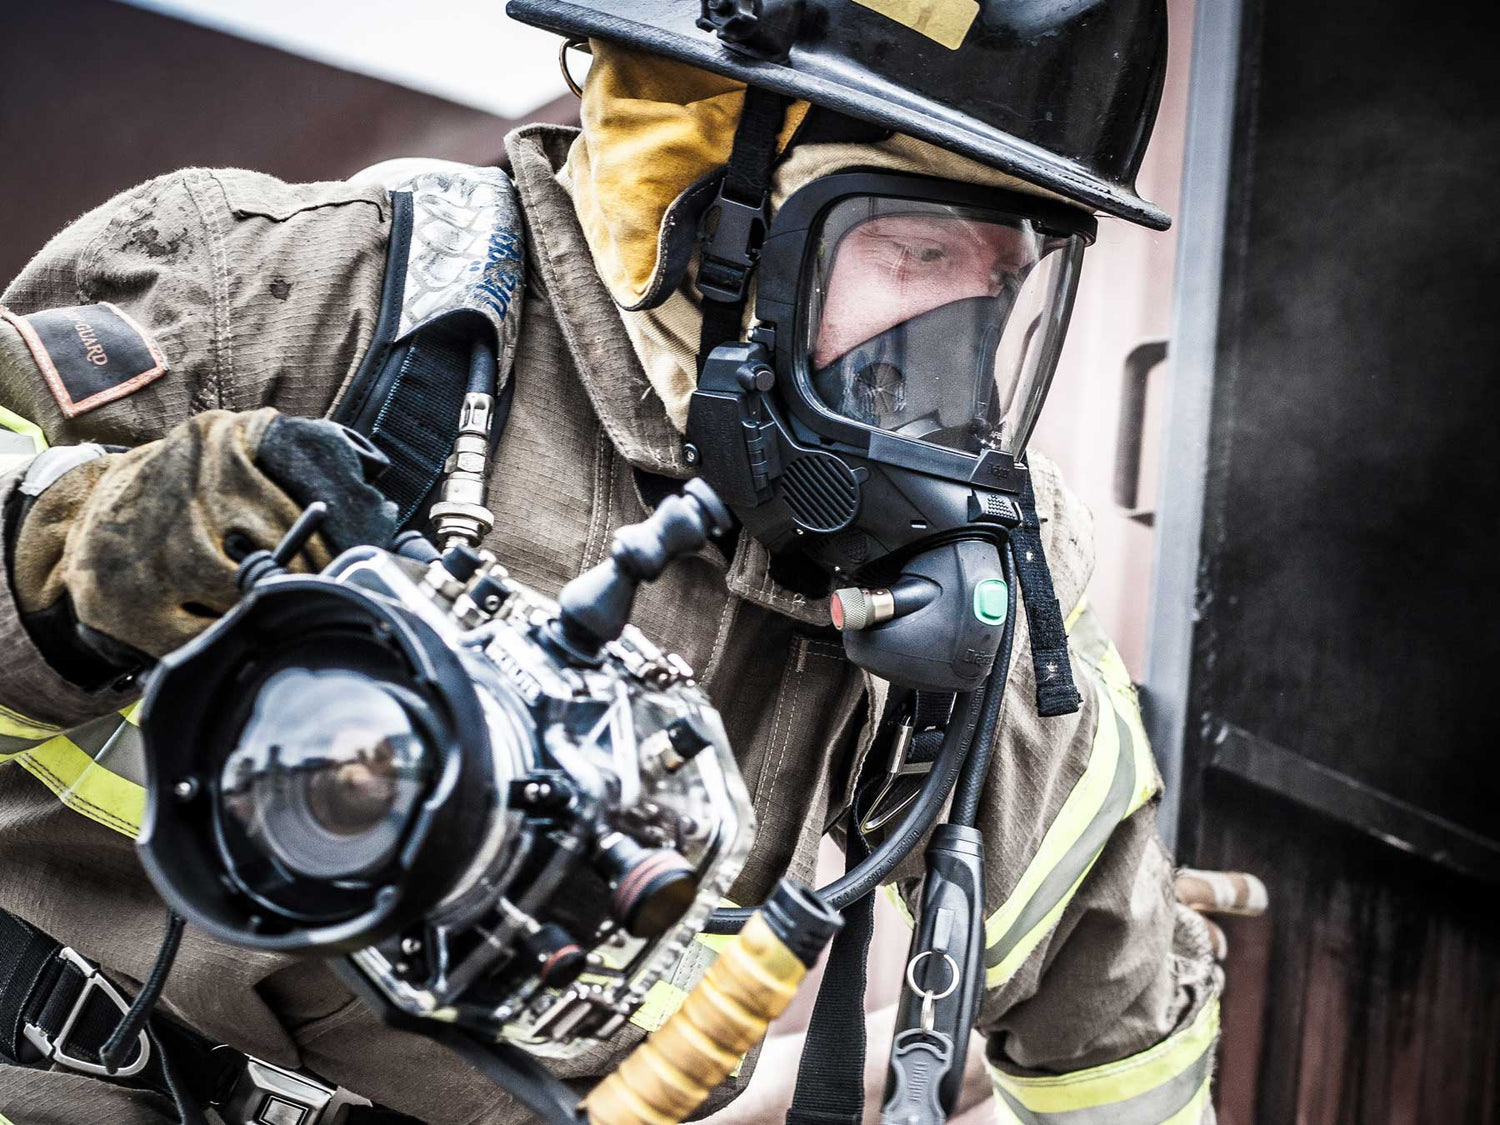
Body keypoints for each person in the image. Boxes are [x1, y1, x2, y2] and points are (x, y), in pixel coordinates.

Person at [0, 2, 1222, 1122]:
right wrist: (75, 549)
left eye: (1003, 281)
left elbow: (1118, 1038)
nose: (958, 355)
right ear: (704, 195)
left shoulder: (972, 557)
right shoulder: (282, 296)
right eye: (917, 253)